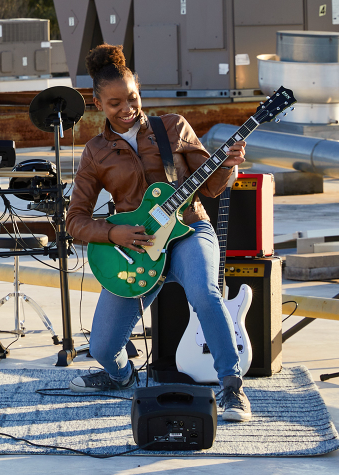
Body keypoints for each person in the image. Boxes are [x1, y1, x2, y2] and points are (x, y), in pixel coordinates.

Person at [66, 44, 251, 422]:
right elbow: (75, 220)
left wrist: (228, 166)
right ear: (99, 103)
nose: (126, 108)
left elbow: (211, 186)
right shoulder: (95, 151)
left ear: (139, 91)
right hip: (135, 247)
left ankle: (232, 387)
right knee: (102, 347)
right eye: (115, 102)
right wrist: (112, 234)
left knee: (204, 291)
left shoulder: (172, 126)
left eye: (132, 98)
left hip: (188, 231)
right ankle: (120, 376)